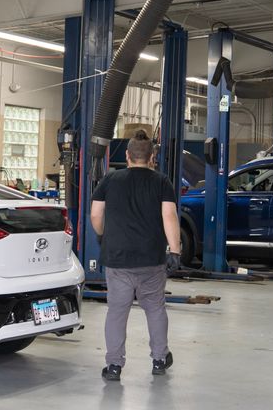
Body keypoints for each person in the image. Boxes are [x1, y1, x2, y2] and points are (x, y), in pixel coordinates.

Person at [90, 129, 181, 381]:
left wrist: (102, 234)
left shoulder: (110, 179)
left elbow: (96, 215)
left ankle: (114, 366)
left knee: (117, 311)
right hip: (151, 259)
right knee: (154, 308)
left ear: (128, 156)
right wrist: (175, 250)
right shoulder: (162, 182)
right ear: (152, 157)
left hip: (118, 258)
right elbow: (169, 216)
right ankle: (159, 359)